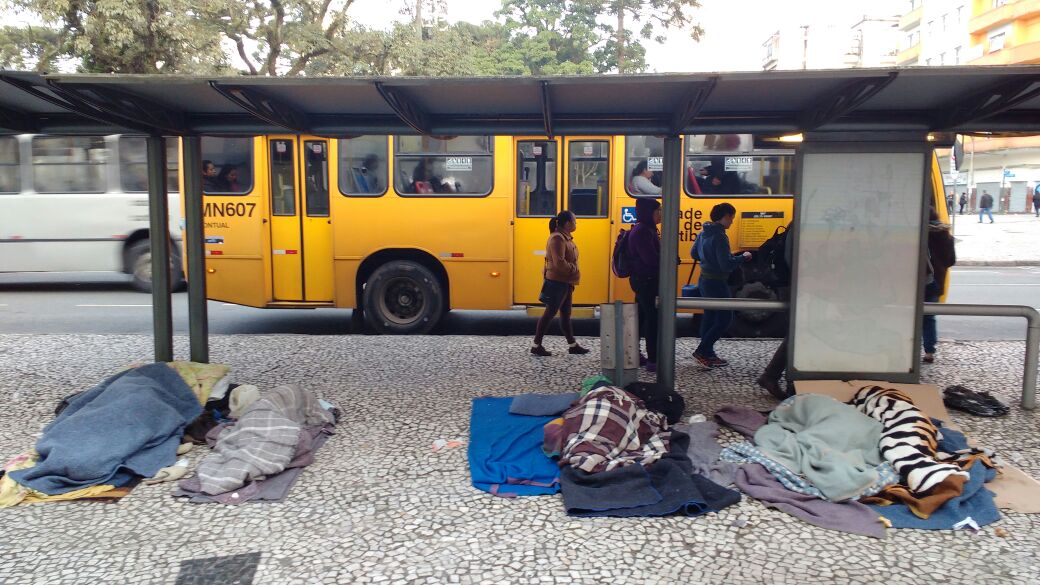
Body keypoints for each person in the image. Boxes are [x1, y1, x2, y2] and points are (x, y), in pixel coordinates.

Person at [692, 202, 752, 368]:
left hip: (704, 279)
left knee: (710, 316)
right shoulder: (720, 236)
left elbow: (693, 253)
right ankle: (703, 350)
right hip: (717, 281)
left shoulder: (703, 232)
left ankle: (708, 354)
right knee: (725, 318)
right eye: (731, 218)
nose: (732, 222)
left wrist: (708, 258)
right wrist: (743, 257)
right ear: (724, 217)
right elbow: (726, 265)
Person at [531, 210, 589, 357]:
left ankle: (572, 345)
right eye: (574, 221)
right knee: (549, 313)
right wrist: (574, 270)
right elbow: (559, 263)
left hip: (565, 282)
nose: (576, 223)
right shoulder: (558, 239)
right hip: (558, 282)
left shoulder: (565, 238)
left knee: (565, 315)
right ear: (567, 223)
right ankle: (536, 345)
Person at [756, 223, 794, 400]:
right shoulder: (800, 224)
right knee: (798, 333)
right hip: (793, 284)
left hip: (790, 282)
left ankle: (771, 375)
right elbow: (791, 258)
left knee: (797, 332)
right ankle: (771, 375)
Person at [628, 197, 662, 372]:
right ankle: (653, 359)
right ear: (649, 213)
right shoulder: (643, 231)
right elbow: (650, 259)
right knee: (652, 319)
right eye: (658, 211)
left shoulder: (646, 229)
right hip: (646, 281)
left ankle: (632, 353)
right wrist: (668, 258)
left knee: (640, 318)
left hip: (642, 280)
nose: (661, 214)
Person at [922, 208, 956, 363]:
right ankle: (929, 352)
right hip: (936, 280)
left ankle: (908, 351)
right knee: (929, 316)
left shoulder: (920, 234)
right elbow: (951, 261)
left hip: (919, 280)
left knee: (910, 316)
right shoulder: (946, 236)